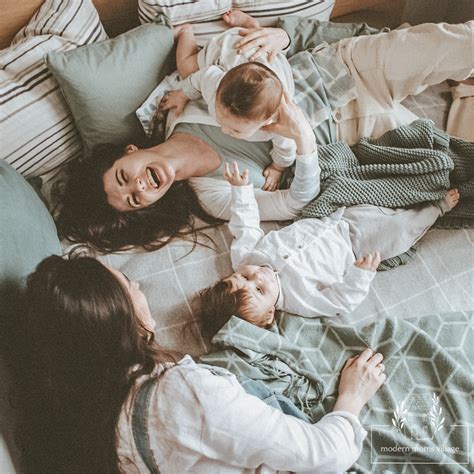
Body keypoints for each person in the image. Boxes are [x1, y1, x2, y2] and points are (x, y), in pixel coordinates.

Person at [57, 17, 473, 252]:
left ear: (129, 151)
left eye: (124, 176)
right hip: (355, 132)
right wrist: (303, 140)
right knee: (461, 159)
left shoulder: (178, 109)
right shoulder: (215, 196)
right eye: (134, 199)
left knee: (459, 42)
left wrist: (281, 36)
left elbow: (232, 65)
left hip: (340, 69)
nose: (140, 186)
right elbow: (296, 204)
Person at [15, 253, 387, 473]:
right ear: (120, 318)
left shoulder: (88, 419)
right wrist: (351, 398)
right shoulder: (183, 393)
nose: (140, 286)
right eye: (129, 284)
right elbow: (324, 454)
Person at [197, 160, 459, 335]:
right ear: (269, 315)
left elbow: (245, 226)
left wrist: (241, 191)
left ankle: (418, 179)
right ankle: (437, 208)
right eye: (260, 289)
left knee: (367, 185)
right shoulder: (300, 300)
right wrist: (360, 275)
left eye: (244, 277)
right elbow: (340, 301)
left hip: (326, 216)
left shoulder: (245, 257)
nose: (258, 275)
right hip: (355, 244)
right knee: (399, 230)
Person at [161, 10, 296, 191]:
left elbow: (287, 150)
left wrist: (277, 168)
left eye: (235, 130)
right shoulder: (215, 82)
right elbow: (201, 77)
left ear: (266, 121)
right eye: (219, 117)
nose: (224, 130)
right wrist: (183, 94)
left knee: (262, 52)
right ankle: (186, 31)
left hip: (267, 58)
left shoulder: (278, 125)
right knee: (186, 69)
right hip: (232, 50)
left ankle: (252, 27)